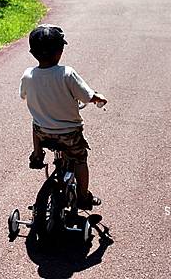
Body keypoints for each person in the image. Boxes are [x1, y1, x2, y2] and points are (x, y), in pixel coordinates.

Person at [19, 24, 107, 210]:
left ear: (32, 52)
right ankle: (83, 196)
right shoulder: (67, 74)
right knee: (80, 159)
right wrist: (96, 98)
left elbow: (23, 95)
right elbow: (86, 96)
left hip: (43, 133)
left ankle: (37, 155)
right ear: (60, 51)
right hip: (69, 135)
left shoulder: (28, 75)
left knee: (36, 123)